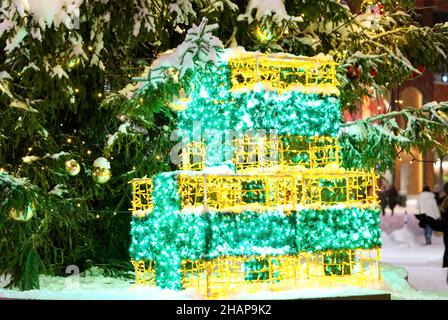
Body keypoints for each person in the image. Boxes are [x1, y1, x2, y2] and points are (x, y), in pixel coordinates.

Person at [415, 182, 448, 282]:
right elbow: (443, 224)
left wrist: (424, 218)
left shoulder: (445, 203)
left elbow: (444, 226)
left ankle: (427, 236)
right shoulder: (441, 201)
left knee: (427, 228)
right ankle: (428, 236)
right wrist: (434, 217)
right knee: (428, 228)